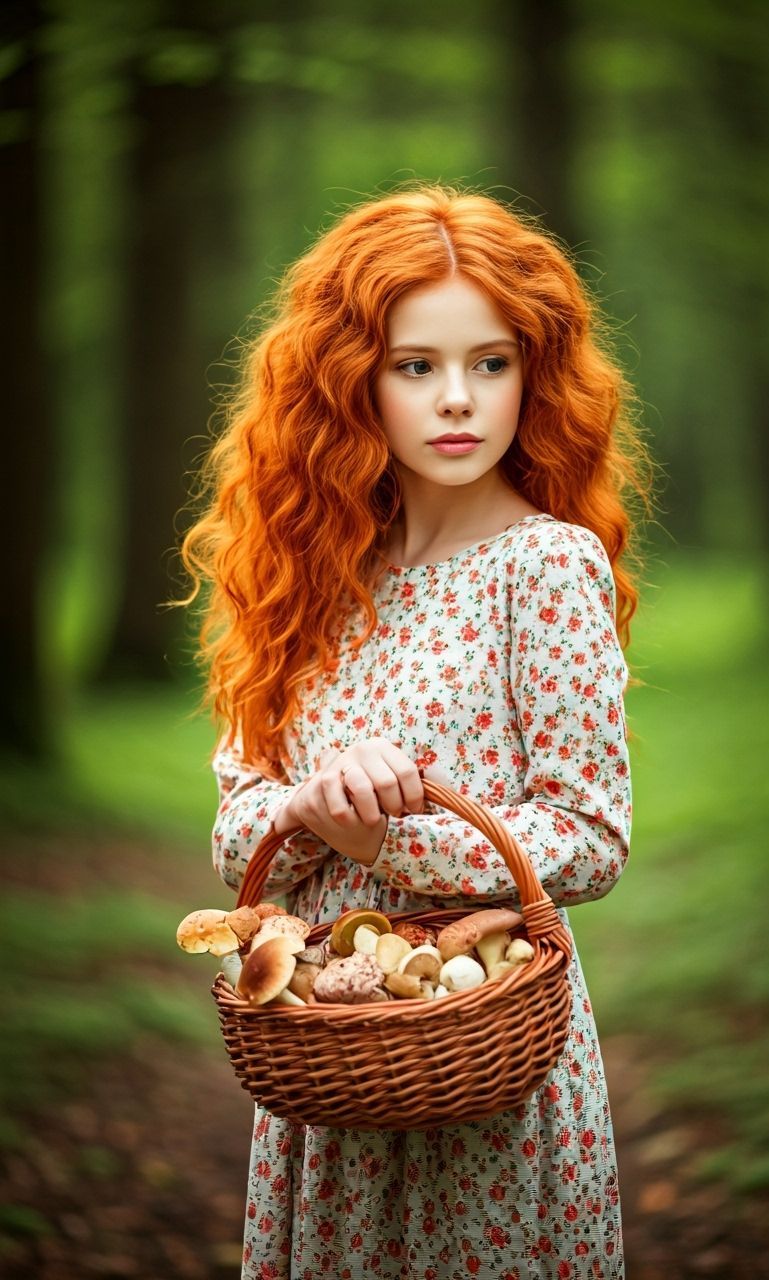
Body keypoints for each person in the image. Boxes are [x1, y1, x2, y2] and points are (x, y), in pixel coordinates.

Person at [180, 184, 650, 1280]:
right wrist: (306, 808)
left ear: (535, 373)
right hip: (329, 1074)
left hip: (484, 1060)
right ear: (351, 379)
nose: (457, 399)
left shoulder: (545, 567)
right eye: (414, 365)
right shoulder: (307, 577)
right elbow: (237, 833)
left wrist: (387, 842)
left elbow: (591, 836)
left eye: (490, 362)